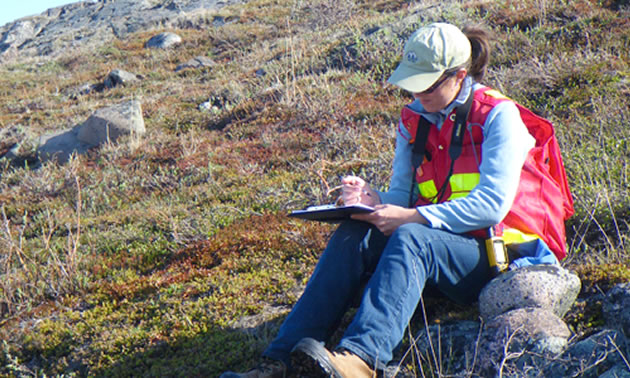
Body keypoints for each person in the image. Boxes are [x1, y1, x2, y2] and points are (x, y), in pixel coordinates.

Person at [220, 22, 573, 378]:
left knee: (411, 237)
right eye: (413, 83)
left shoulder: (500, 116)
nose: (418, 95)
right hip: (440, 248)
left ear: (459, 76)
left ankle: (361, 360)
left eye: (428, 85)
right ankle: (277, 362)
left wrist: (408, 218)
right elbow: (403, 197)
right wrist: (372, 200)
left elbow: (491, 207)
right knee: (352, 233)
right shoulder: (413, 121)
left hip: (499, 257)